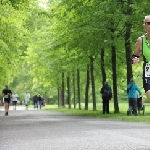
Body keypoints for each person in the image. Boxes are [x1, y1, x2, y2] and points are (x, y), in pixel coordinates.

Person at [132, 15, 150, 102]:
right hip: (148, 70)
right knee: (149, 94)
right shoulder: (141, 40)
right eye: (149, 23)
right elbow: (135, 55)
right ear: (144, 26)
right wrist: (134, 59)